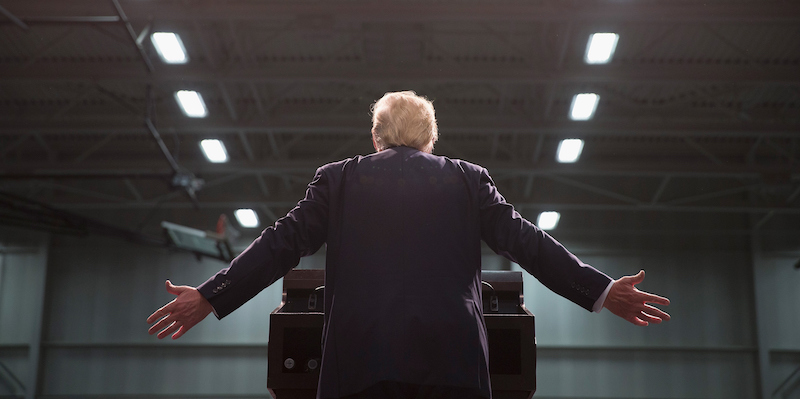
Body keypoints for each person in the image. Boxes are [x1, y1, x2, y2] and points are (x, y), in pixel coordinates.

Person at [147, 91, 671, 399]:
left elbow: (280, 244)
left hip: (357, 364)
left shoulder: (339, 179)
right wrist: (601, 291)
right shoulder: (468, 179)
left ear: (375, 138)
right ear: (430, 139)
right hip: (452, 365)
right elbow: (528, 244)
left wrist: (212, 295)